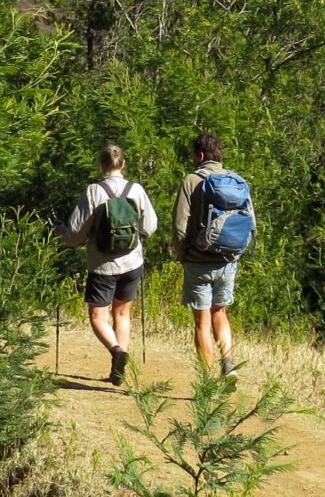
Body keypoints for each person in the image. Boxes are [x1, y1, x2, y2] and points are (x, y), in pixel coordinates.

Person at [55, 144, 158, 385]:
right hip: (132, 261)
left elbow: (76, 234)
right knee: (122, 313)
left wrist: (62, 233)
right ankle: (118, 371)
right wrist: (138, 238)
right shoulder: (136, 190)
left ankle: (117, 352)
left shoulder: (93, 191)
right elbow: (150, 226)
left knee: (98, 316)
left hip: (102, 265)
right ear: (123, 164)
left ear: (101, 165)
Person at [172, 132, 251, 377]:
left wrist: (183, 254)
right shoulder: (238, 181)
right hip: (228, 260)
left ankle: (207, 381)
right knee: (220, 312)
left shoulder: (191, 181)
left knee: (202, 321)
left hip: (198, 261)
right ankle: (228, 363)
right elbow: (251, 223)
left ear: (200, 155)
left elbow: (179, 225)